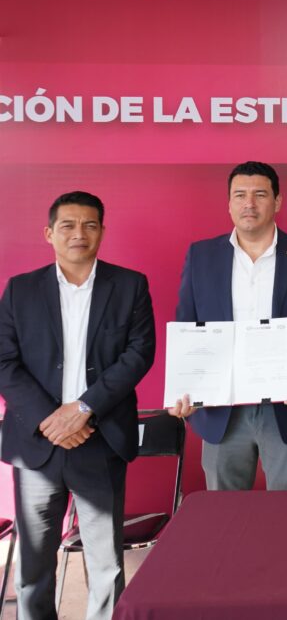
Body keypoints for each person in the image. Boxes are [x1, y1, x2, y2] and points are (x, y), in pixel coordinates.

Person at [0, 191, 155, 620]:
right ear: (49, 233)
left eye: (89, 225)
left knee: (106, 566)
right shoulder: (20, 290)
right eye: (67, 225)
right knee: (33, 567)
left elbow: (139, 354)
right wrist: (52, 420)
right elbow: (4, 361)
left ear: (102, 232)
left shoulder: (130, 286)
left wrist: (83, 409)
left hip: (99, 439)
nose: (78, 233)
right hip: (38, 442)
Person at [169, 161, 287, 490]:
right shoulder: (201, 256)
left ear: (277, 202)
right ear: (229, 203)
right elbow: (187, 329)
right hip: (220, 409)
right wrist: (184, 387)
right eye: (240, 195)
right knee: (226, 514)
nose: (249, 203)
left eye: (260, 194)